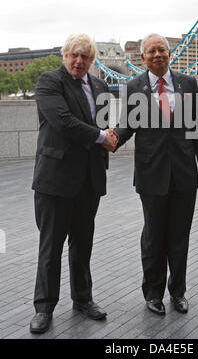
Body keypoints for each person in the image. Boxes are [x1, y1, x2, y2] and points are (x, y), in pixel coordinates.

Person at [114, 33, 198, 316]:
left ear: (170, 54)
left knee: (180, 237)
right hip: (151, 173)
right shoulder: (133, 87)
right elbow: (127, 126)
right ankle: (153, 294)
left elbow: (197, 126)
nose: (157, 55)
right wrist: (108, 140)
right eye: (151, 51)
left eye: (162, 50)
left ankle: (178, 292)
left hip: (183, 173)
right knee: (154, 237)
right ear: (142, 58)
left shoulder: (188, 83)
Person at [30, 33, 117, 334]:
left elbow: (104, 125)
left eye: (85, 57)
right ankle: (44, 308)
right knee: (51, 246)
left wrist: (110, 136)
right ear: (64, 56)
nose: (79, 61)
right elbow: (63, 121)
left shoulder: (102, 86)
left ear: (92, 61)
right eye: (73, 55)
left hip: (89, 179)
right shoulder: (49, 82)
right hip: (55, 179)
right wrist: (101, 137)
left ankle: (83, 299)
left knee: (83, 244)